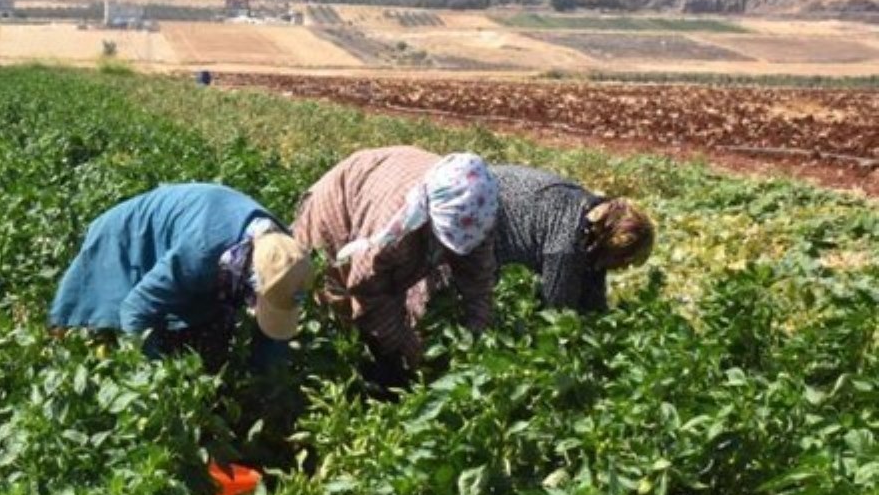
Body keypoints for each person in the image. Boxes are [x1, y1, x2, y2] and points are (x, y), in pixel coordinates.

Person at [49, 183, 312, 372]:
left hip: (197, 229)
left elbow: (278, 312)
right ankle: (57, 347)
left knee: (207, 330)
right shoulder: (201, 252)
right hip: (127, 234)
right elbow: (135, 309)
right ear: (251, 282)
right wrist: (153, 372)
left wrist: (267, 374)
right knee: (107, 312)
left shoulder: (285, 254)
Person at [293, 147, 498, 390]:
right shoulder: (393, 231)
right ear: (430, 219)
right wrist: (406, 349)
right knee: (337, 308)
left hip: (384, 183)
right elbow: (368, 291)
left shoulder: (477, 208)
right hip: (337, 207)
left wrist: (478, 334)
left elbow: (478, 277)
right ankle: (351, 378)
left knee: (417, 305)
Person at [491, 165, 655, 313]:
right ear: (611, 246)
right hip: (484, 206)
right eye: (624, 259)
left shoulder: (593, 225)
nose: (624, 267)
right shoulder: (565, 247)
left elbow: (593, 300)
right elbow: (558, 314)